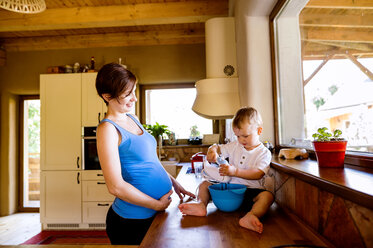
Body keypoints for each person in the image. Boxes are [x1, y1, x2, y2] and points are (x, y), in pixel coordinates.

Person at [95, 63, 195, 245]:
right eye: (127, 94)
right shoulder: (107, 129)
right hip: (131, 222)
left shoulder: (132, 118)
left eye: (134, 92)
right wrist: (156, 204)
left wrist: (174, 183)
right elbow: (115, 187)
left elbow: (151, 161)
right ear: (107, 96)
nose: (134, 99)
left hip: (154, 214)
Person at [178, 107, 274, 234]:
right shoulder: (235, 145)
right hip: (229, 190)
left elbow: (258, 173)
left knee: (267, 196)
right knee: (204, 185)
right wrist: (212, 150)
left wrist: (235, 172)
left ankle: (252, 215)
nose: (241, 140)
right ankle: (201, 205)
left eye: (245, 136)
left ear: (259, 131)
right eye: (238, 136)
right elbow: (218, 148)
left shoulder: (264, 152)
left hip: (249, 193)